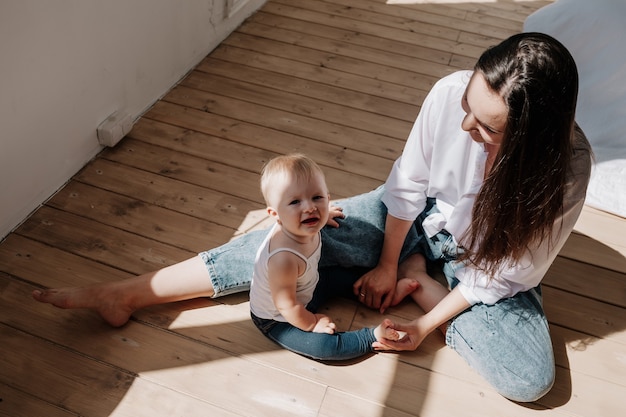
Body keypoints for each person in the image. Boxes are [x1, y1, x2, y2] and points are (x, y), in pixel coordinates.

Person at [32, 32, 591, 402]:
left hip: (483, 263)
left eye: (488, 129)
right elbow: (409, 184)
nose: (467, 126)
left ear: (529, 142)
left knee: (529, 379)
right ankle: (129, 292)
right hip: (418, 218)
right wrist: (388, 259)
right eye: (470, 108)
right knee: (286, 238)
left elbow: (505, 275)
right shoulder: (451, 96)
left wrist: (423, 320)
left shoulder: (563, 174)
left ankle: (422, 282)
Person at [248, 153, 412, 360]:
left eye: (317, 198)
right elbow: (287, 306)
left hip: (309, 287)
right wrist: (313, 322)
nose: (309, 208)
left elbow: (312, 212)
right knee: (325, 348)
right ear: (276, 215)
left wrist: (323, 217)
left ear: (327, 197)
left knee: (344, 275)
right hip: (280, 318)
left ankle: (385, 291)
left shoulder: (305, 222)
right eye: (295, 202)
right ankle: (371, 337)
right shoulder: (283, 259)